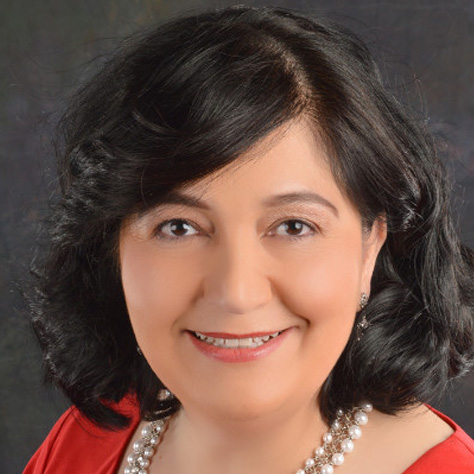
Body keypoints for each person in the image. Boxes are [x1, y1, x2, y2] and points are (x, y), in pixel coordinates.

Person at [24, 5, 474, 474]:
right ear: (112, 249)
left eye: (293, 226)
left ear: (370, 248)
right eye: (178, 227)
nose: (236, 293)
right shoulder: (90, 437)